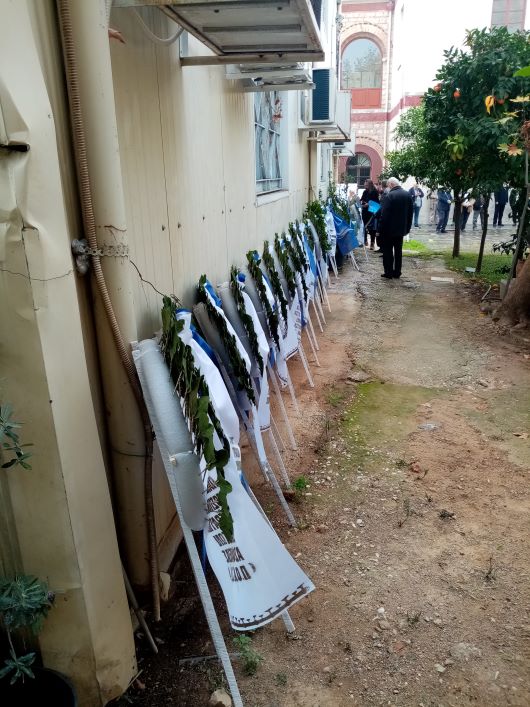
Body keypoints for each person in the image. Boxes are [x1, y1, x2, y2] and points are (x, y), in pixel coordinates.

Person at [378, 177, 413, 279]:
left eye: (388, 186)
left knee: (387, 251)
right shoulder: (407, 195)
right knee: (398, 251)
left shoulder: (390, 195)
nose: (388, 187)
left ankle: (388, 272)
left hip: (388, 230)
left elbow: (384, 215)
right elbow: (410, 213)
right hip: (401, 229)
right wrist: (407, 228)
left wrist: (380, 228)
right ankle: (397, 272)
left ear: (391, 184)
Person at [360, 179, 380, 250]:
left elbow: (377, 203)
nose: (365, 186)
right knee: (364, 226)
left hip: (371, 212)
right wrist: (361, 202)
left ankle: (372, 242)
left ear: (370, 185)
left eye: (366, 185)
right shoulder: (365, 191)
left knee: (372, 228)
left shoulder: (374, 192)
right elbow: (362, 199)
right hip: (365, 211)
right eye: (365, 185)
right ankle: (365, 241)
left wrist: (369, 204)